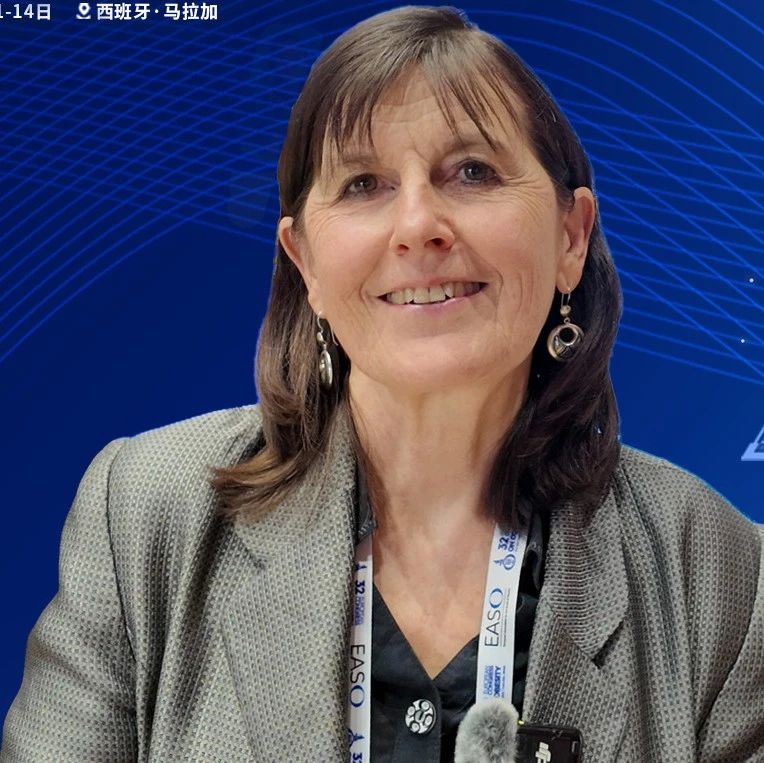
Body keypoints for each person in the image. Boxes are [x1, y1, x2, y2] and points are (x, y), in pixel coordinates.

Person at [2, 6, 762, 762]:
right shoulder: (144, 515)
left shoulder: (721, 573)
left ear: (571, 237)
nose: (418, 224)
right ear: (305, 264)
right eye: (364, 184)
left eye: (472, 171)